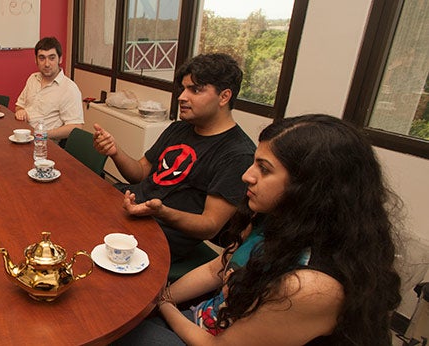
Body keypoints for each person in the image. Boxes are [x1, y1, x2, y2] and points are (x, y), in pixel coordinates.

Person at [115, 114, 402, 345]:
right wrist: (159, 299)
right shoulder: (274, 216)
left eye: (264, 169)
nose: (246, 176)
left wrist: (162, 304)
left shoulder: (310, 287)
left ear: (310, 187)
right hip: (207, 320)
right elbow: (218, 267)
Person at [93, 53, 256, 261]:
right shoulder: (179, 128)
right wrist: (115, 151)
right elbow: (141, 173)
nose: (182, 97)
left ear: (224, 97)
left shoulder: (237, 154)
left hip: (161, 232)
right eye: (184, 88)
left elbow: (210, 225)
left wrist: (162, 211)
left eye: (195, 90)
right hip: (132, 207)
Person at [14, 37, 84, 141]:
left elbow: (76, 126)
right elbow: (19, 106)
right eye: (42, 58)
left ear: (60, 59)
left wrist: (43, 134)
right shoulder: (32, 78)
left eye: (52, 58)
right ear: (36, 60)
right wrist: (20, 111)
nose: (47, 64)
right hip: (23, 135)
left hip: (44, 144)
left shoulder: (69, 88)